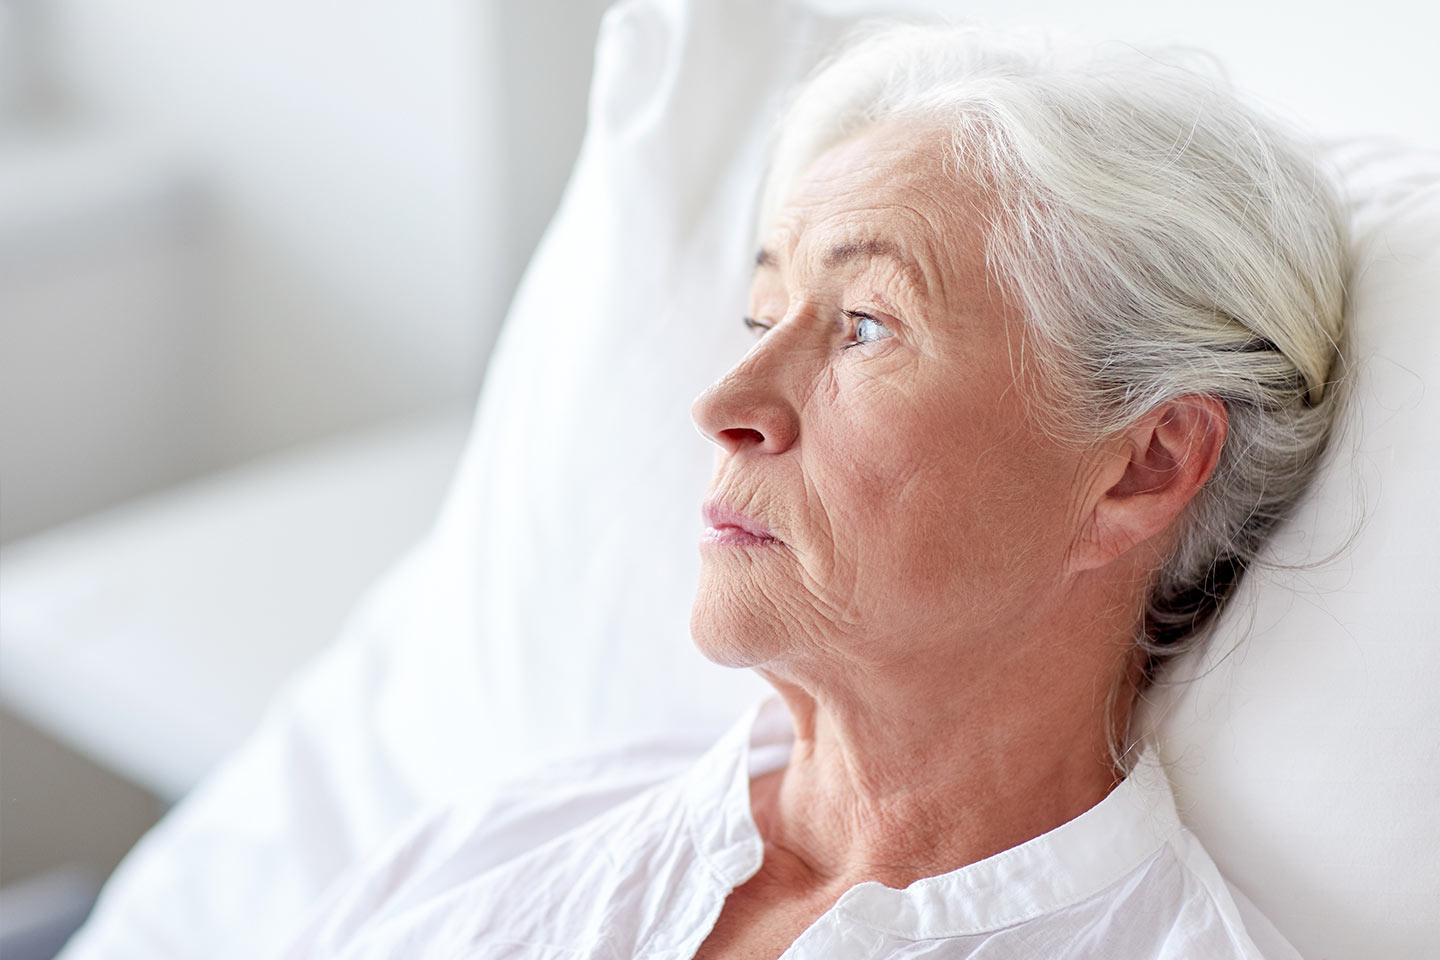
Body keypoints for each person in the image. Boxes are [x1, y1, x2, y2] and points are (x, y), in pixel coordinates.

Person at [279, 24, 1347, 960]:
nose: (726, 403)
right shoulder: (506, 842)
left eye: (866, 324)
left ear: (1143, 465)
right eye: (762, 315)